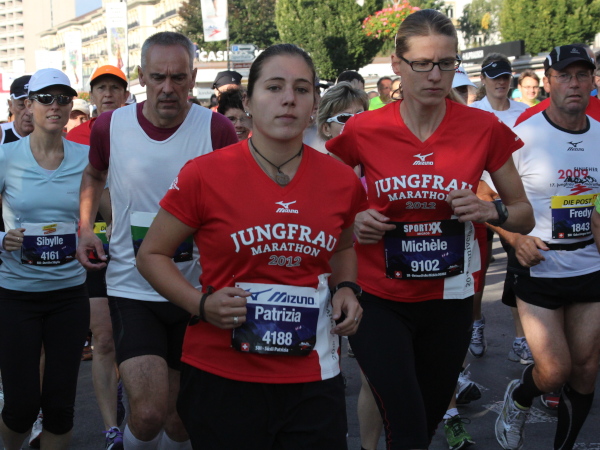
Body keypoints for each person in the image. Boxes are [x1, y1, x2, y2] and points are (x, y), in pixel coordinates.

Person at [136, 43, 366, 450]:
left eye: (301, 89)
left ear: (314, 103)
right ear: (248, 101)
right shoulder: (205, 174)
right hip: (223, 376)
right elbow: (151, 255)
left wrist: (347, 288)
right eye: (274, 87)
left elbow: (344, 248)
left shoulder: (341, 180)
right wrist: (200, 304)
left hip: (311, 376)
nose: (288, 99)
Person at [326, 9, 534, 449]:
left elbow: (523, 213)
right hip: (378, 298)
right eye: (422, 63)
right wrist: (354, 218)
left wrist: (488, 210)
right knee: (405, 424)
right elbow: (320, 200)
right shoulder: (364, 128)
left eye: (446, 63)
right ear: (397, 65)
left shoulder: (482, 128)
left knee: (427, 421)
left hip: (450, 300)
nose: (435, 75)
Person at [76, 31, 237, 450]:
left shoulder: (217, 129)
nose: (168, 87)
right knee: (147, 414)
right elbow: (93, 173)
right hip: (133, 287)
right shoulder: (111, 126)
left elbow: (235, 202)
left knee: (180, 421)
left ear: (193, 78)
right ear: (142, 77)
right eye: (158, 77)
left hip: (195, 290)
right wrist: (85, 226)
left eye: (178, 77)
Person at [495, 44, 600, 450]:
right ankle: (520, 396)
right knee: (554, 371)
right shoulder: (524, 135)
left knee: (585, 370)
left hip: (590, 265)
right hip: (539, 266)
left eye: (581, 75)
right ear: (548, 81)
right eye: (564, 76)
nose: (574, 84)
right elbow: (484, 194)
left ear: (592, 81)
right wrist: (515, 238)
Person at [0, 68, 89, 450]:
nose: (55, 106)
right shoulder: (5, 156)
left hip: (69, 295)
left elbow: (108, 213)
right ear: (28, 105)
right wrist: (2, 238)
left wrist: (92, 233)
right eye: (46, 98)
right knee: (20, 407)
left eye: (63, 98)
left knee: (60, 407)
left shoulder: (86, 159)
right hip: (16, 295)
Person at [66, 64, 130, 450]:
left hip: (138, 248)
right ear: (91, 97)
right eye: (100, 88)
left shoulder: (139, 130)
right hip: (95, 248)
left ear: (126, 95)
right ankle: (111, 430)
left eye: (114, 88)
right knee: (104, 338)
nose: (107, 94)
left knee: (133, 338)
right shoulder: (76, 136)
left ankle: (137, 402)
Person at [470, 54, 528, 128]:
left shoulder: (524, 110)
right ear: (483, 79)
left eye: (505, 77)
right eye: (495, 77)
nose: (502, 82)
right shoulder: (472, 112)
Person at [1, 75, 33, 144]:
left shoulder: (54, 137)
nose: (29, 112)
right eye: (21, 105)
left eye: (32, 106)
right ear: (11, 106)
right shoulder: (1, 134)